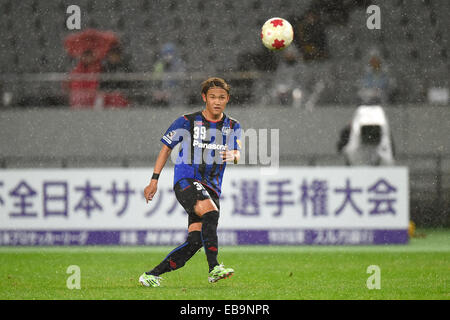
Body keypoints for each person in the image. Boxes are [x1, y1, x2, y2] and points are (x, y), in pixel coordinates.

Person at [139, 77, 242, 287]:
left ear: (227, 99)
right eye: (212, 97)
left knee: (195, 242)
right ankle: (214, 268)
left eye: (221, 97)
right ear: (204, 97)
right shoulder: (187, 121)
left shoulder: (233, 125)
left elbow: (237, 152)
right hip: (187, 180)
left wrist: (235, 156)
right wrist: (154, 180)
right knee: (211, 213)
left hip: (212, 187)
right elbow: (166, 148)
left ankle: (151, 274)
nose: (217, 101)